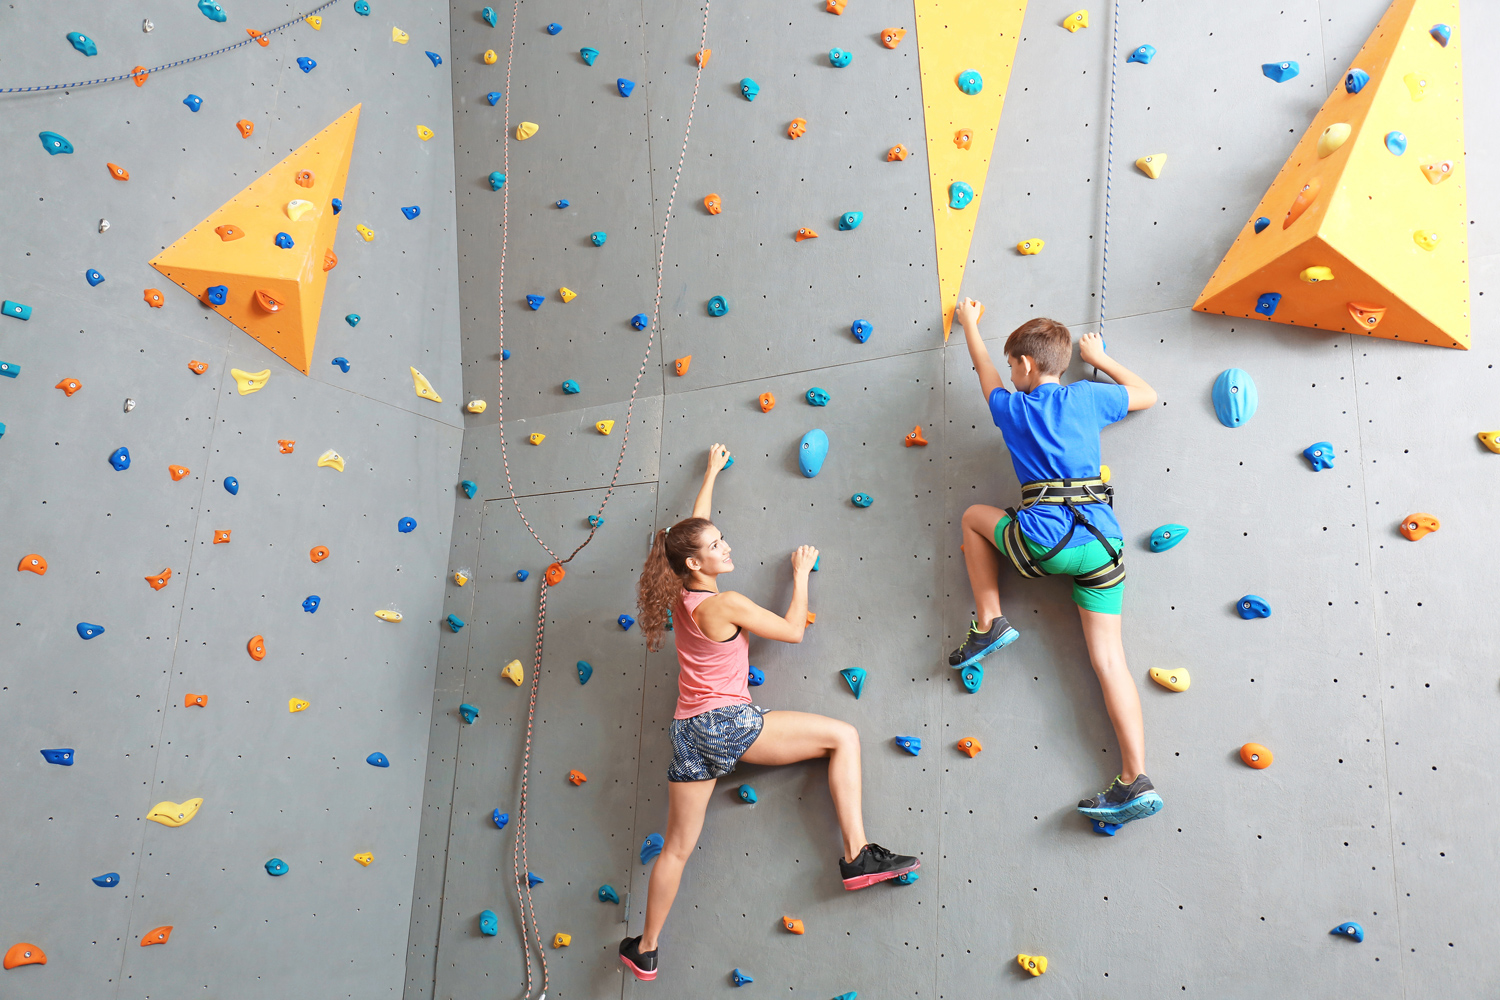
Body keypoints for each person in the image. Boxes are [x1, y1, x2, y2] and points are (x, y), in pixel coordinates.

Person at [618, 444, 919, 982]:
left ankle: (646, 947)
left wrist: (710, 473)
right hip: (727, 724)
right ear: (696, 563)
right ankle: (857, 856)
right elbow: (793, 630)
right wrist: (801, 574)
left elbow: (691, 529)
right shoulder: (725, 603)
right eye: (717, 545)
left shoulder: (679, 596)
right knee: (844, 737)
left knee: (678, 848)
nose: (726, 546)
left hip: (689, 733)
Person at [949, 299, 1165, 828]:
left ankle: (989, 621)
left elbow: (983, 371)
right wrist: (1103, 358)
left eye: (1012, 364)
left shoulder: (1012, 408)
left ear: (1023, 366)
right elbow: (1148, 396)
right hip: (1103, 545)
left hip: (1046, 542)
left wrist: (971, 325)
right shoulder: (1089, 397)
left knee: (975, 516)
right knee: (1110, 660)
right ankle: (1135, 778)